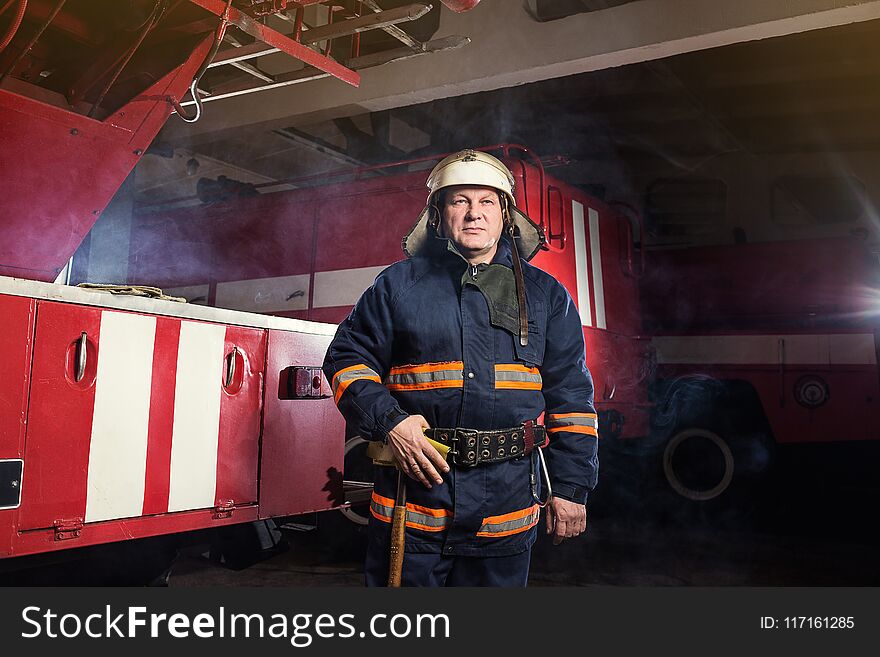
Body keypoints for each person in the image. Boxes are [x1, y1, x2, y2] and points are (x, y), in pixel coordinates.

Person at [323, 149, 598, 586]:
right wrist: (391, 423)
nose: (474, 214)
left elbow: (572, 396)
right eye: (459, 201)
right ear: (437, 215)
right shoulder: (397, 285)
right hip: (412, 510)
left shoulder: (547, 296)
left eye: (487, 202)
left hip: (504, 512)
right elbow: (346, 359)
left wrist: (570, 488)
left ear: (506, 215)